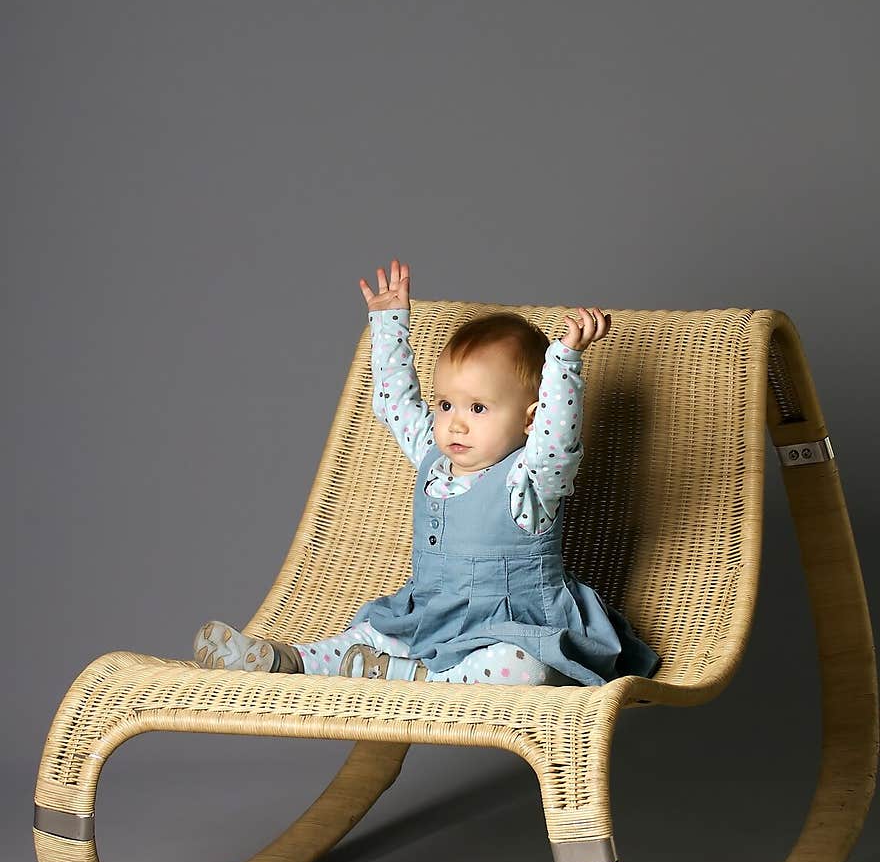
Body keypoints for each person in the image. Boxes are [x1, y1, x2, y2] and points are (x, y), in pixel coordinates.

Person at [193, 259, 662, 686]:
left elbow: (558, 443)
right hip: (431, 620)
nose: (455, 422)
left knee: (524, 667)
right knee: (371, 635)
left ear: (531, 419)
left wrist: (564, 362)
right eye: (445, 405)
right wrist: (388, 325)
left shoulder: (530, 483)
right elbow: (395, 403)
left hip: (511, 630)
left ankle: (420, 681)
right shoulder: (436, 460)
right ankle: (289, 659)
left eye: (478, 407)